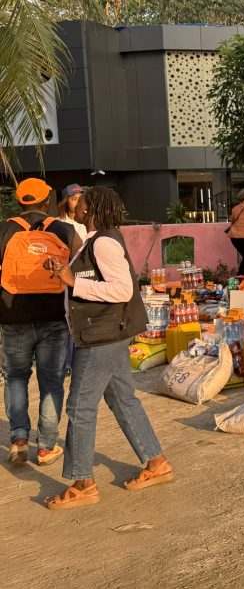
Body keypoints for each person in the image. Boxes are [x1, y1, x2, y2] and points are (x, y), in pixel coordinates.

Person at [42, 187, 173, 509]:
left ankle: (82, 483)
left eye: (82, 201)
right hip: (104, 333)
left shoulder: (104, 243)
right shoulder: (97, 240)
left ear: (92, 209)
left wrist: (74, 282)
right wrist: (64, 274)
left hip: (101, 337)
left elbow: (122, 290)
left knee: (80, 407)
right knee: (122, 399)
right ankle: (156, 463)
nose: (76, 204)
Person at [0, 178, 74, 466]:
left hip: (13, 316)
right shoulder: (63, 229)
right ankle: (45, 447)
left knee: (15, 377)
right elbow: (81, 267)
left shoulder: (4, 229)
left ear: (20, 201)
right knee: (51, 381)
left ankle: (19, 440)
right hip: (53, 316)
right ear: (46, 201)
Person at [57, 183, 86, 252]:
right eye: (74, 199)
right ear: (66, 202)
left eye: (80, 199)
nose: (78, 202)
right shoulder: (57, 223)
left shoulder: (89, 222)